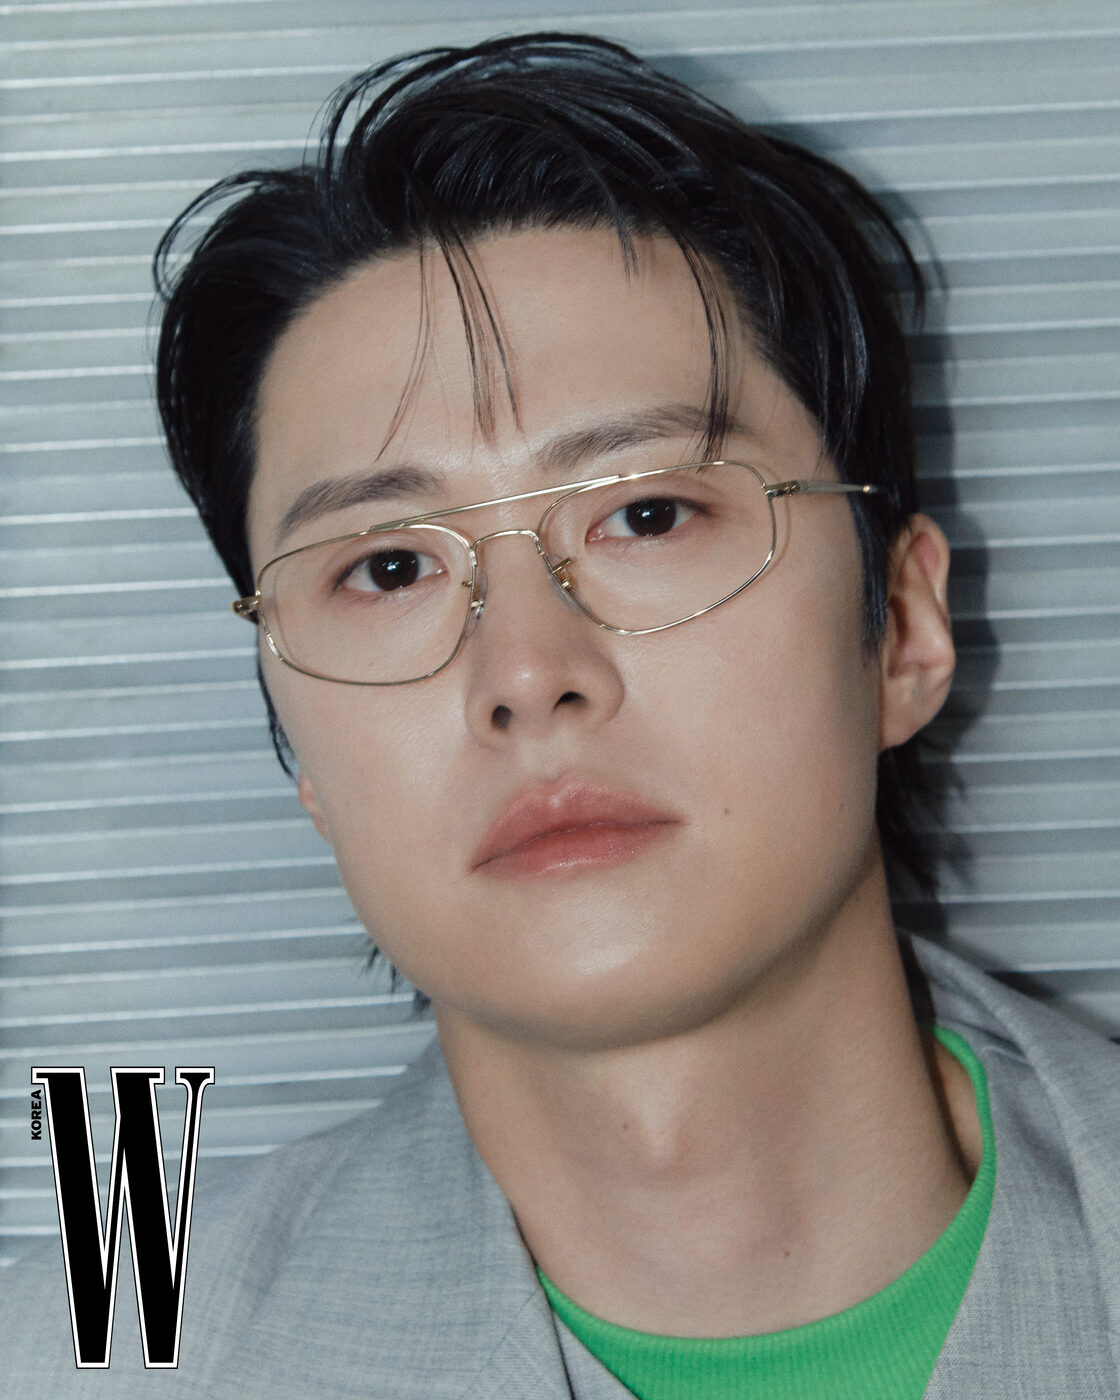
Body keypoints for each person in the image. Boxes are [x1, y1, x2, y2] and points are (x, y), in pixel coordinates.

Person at [5, 33, 1118, 1399]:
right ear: (302, 751)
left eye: (648, 514)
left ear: (901, 628)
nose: (528, 672)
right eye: (388, 568)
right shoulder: (86, 1361)